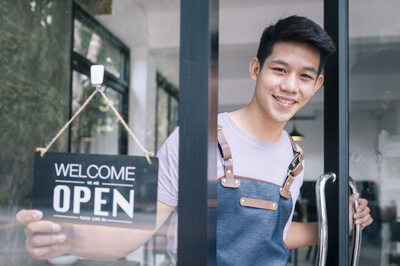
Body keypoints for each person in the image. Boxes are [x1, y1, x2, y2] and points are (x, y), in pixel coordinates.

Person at [16, 15, 373, 265]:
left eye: (305, 76)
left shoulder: (294, 157)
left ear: (317, 86)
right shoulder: (195, 140)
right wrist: (66, 239)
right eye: (279, 69)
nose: (290, 86)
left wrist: (334, 226)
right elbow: (138, 232)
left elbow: (271, 234)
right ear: (256, 69)